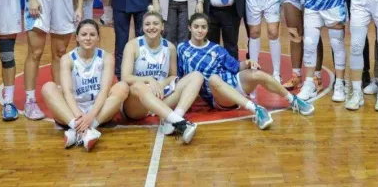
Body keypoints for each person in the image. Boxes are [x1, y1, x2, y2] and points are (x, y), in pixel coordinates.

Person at [177, 13, 314, 130]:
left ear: (207, 29)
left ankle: (293, 100)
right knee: (213, 79)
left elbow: (236, 67)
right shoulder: (182, 49)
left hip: (233, 84)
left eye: (203, 27)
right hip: (218, 97)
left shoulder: (216, 49)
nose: (200, 30)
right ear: (189, 28)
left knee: (257, 74)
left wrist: (247, 63)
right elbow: (181, 77)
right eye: (196, 27)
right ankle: (256, 109)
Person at [41, 19, 130, 151]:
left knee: (123, 87)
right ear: (77, 37)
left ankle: (80, 130)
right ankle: (84, 130)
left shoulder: (106, 57)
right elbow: (67, 92)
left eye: (92, 35)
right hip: (72, 111)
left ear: (98, 37)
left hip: (99, 111)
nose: (88, 38)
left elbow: (104, 90)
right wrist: (79, 116)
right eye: (84, 34)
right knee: (48, 87)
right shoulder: (67, 59)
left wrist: (91, 116)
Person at [120, 12, 203, 143]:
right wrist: (149, 79)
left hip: (161, 97)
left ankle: (173, 119)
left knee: (197, 76)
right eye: (147, 24)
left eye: (155, 23)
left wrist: (163, 83)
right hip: (138, 104)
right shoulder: (133, 45)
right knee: (138, 86)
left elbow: (173, 76)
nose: (151, 27)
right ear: (142, 27)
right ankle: (179, 122)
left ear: (162, 26)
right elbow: (125, 78)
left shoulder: (170, 47)